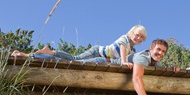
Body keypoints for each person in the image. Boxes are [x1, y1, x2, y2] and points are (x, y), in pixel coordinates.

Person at [11, 25, 147, 68]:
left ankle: (45, 52)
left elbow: (130, 57)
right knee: (74, 59)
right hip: (96, 52)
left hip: (100, 57)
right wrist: (124, 61)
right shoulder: (125, 39)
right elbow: (122, 49)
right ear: (131, 33)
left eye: (141, 37)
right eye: (137, 35)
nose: (138, 38)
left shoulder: (133, 49)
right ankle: (46, 53)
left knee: (73, 59)